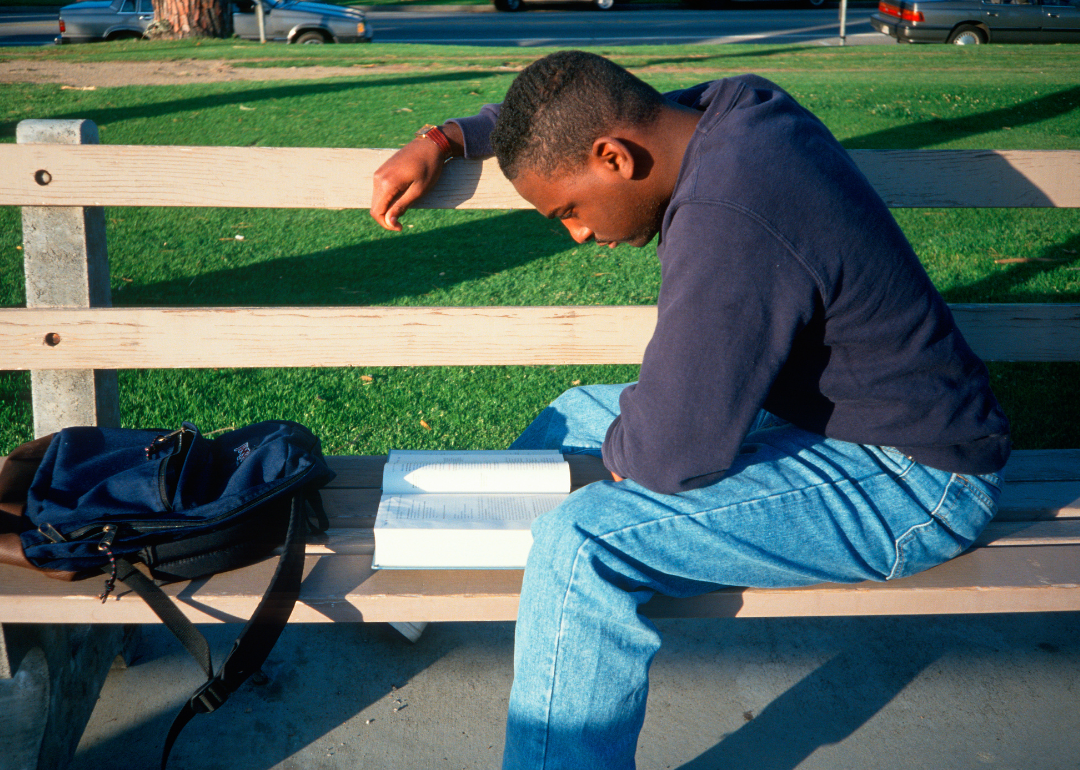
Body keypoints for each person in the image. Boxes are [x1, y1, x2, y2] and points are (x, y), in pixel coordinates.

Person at [371, 51, 1011, 770]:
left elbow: (674, 452)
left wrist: (617, 468)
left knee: (582, 546)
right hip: (835, 417)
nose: (576, 234)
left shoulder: (731, 211)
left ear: (613, 158)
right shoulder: (731, 112)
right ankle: (435, 573)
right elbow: (580, 109)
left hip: (916, 480)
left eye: (568, 209)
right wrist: (448, 137)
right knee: (576, 413)